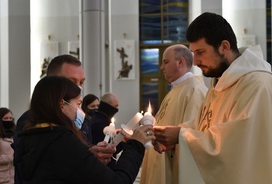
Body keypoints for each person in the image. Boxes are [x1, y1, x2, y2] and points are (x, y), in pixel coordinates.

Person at [153, 12, 272, 184]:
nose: (195, 61)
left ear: (224, 47)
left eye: (200, 52)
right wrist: (171, 135)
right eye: (193, 53)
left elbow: (238, 146)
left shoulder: (256, 83)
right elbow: (203, 124)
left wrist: (181, 136)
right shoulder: (220, 81)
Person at [14, 76, 155, 183]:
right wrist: (135, 145)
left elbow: (58, 169)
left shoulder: (28, 136)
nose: (80, 111)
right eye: (78, 104)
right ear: (62, 104)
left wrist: (87, 156)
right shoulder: (62, 141)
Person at [140, 44, 208, 184]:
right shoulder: (176, 90)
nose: (161, 67)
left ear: (180, 62)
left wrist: (167, 143)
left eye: (165, 62)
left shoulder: (194, 90)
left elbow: (193, 134)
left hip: (174, 167)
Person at [90, 92, 125, 170]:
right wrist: (123, 140)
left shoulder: (98, 118)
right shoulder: (99, 123)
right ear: (108, 107)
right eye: (115, 107)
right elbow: (108, 149)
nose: (117, 110)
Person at [0, 107, 15, 184]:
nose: (9, 120)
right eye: (6, 118)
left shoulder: (15, 134)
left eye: (10, 118)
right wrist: (7, 158)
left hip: (13, 177)